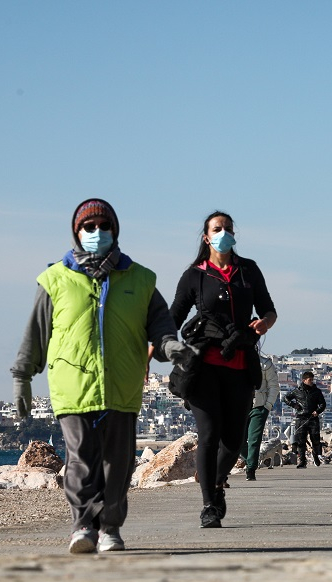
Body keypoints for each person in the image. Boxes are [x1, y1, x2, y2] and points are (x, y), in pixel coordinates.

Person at [11, 198, 196, 554]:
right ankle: (83, 526)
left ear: (115, 230)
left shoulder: (140, 279)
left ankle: (110, 527)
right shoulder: (55, 279)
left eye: (104, 226)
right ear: (77, 233)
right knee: (80, 459)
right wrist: (22, 376)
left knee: (120, 463)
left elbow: (160, 325)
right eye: (89, 227)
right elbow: (35, 334)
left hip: (121, 386)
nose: (97, 233)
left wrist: (171, 347)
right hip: (72, 386)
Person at [170, 210, 277, 529]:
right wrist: (157, 345)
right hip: (203, 368)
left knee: (233, 439)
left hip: (240, 364)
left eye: (228, 228)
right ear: (207, 237)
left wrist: (265, 323)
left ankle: (216, 483)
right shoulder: (195, 275)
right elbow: (173, 317)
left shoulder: (249, 271)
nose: (223, 233)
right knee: (208, 434)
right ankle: (208, 504)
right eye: (217, 229)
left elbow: (268, 309)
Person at [243, 353, 279, 481]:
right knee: (237, 440)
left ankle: (250, 468)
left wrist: (267, 406)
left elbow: (274, 386)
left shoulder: (265, 364)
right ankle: (250, 460)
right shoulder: (234, 361)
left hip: (258, 406)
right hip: (239, 407)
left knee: (254, 439)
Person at [285, 371, 326, 469]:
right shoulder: (297, 391)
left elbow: (323, 404)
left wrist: (318, 411)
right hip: (301, 418)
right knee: (301, 441)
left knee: (315, 440)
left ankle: (315, 455)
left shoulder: (317, 391)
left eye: (312, 380)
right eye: (310, 380)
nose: (312, 382)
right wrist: (294, 405)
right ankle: (302, 461)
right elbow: (286, 398)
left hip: (313, 418)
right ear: (304, 380)